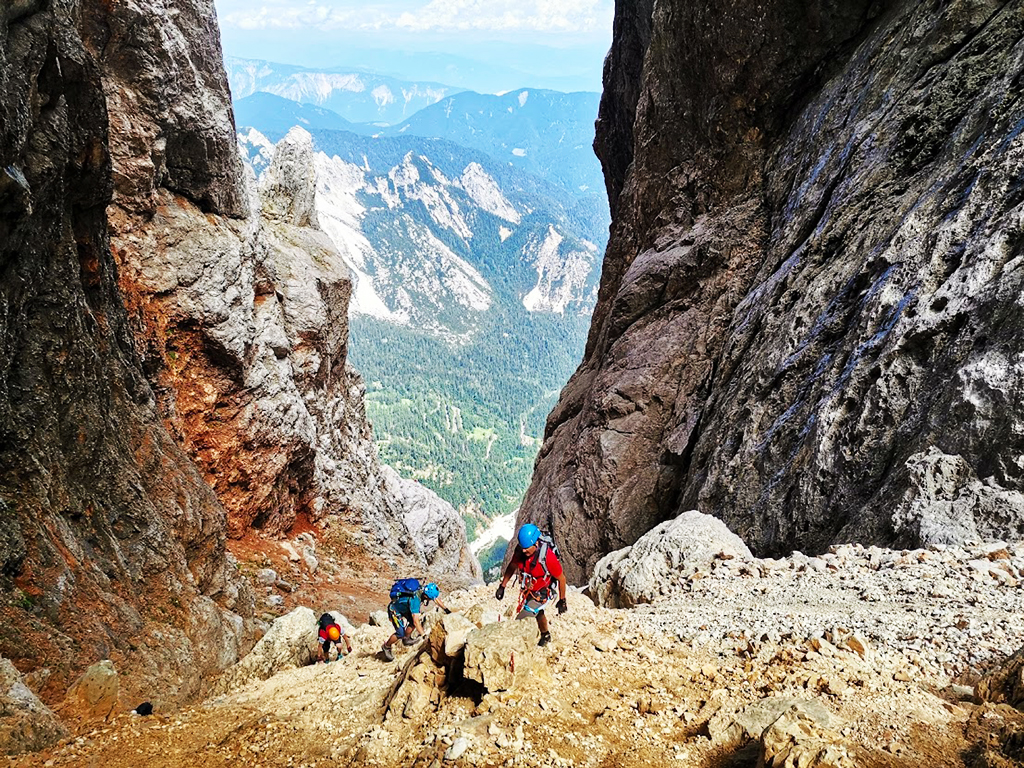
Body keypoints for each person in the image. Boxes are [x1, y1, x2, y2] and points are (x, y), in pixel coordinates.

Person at [494, 523, 567, 647]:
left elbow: (561, 579)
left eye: (526, 547)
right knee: (539, 612)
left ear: (536, 544)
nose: (523, 550)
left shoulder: (548, 557)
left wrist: (562, 600)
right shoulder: (521, 551)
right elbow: (512, 566)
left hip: (542, 593)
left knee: (519, 623)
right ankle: (545, 634)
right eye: (522, 547)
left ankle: (517, 649)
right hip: (529, 589)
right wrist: (503, 586)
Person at [380, 581, 450, 661]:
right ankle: (386, 646)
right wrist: (424, 635)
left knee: (412, 623)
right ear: (426, 596)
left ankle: (406, 639)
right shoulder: (415, 601)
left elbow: (436, 599)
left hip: (404, 608)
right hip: (394, 611)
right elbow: (416, 621)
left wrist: (446, 609)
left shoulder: (423, 590)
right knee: (400, 633)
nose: (431, 600)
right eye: (430, 599)